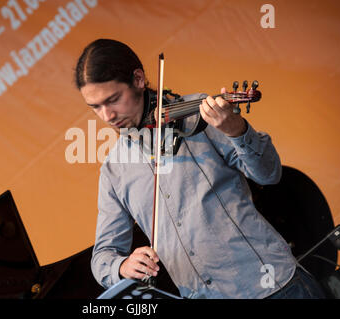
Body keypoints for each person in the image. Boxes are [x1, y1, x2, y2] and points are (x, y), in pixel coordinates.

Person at [74, 38, 325, 299]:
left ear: (138, 79)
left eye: (113, 100)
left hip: (274, 287)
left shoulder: (198, 114)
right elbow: (102, 256)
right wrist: (121, 266)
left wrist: (238, 131)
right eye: (95, 107)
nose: (107, 116)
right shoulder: (114, 170)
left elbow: (269, 174)